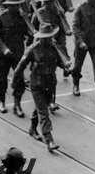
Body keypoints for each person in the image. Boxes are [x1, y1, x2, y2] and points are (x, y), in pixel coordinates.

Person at [13, 23, 63, 152]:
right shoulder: (33, 49)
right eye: (45, 37)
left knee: (41, 108)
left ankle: (32, 128)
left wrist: (67, 68)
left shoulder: (54, 48)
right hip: (37, 85)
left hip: (50, 84)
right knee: (44, 112)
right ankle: (49, 139)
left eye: (50, 37)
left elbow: (61, 61)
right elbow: (21, 65)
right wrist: (15, 80)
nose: (48, 39)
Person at [0, 0, 29, 116]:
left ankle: (17, 104)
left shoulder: (21, 17)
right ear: (8, 6)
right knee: (2, 79)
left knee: (19, 80)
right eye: (13, 5)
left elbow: (29, 32)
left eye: (17, 5)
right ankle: (1, 101)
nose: (16, 7)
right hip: (4, 54)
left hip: (18, 52)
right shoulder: (1, 18)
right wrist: (4, 49)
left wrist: (26, 20)